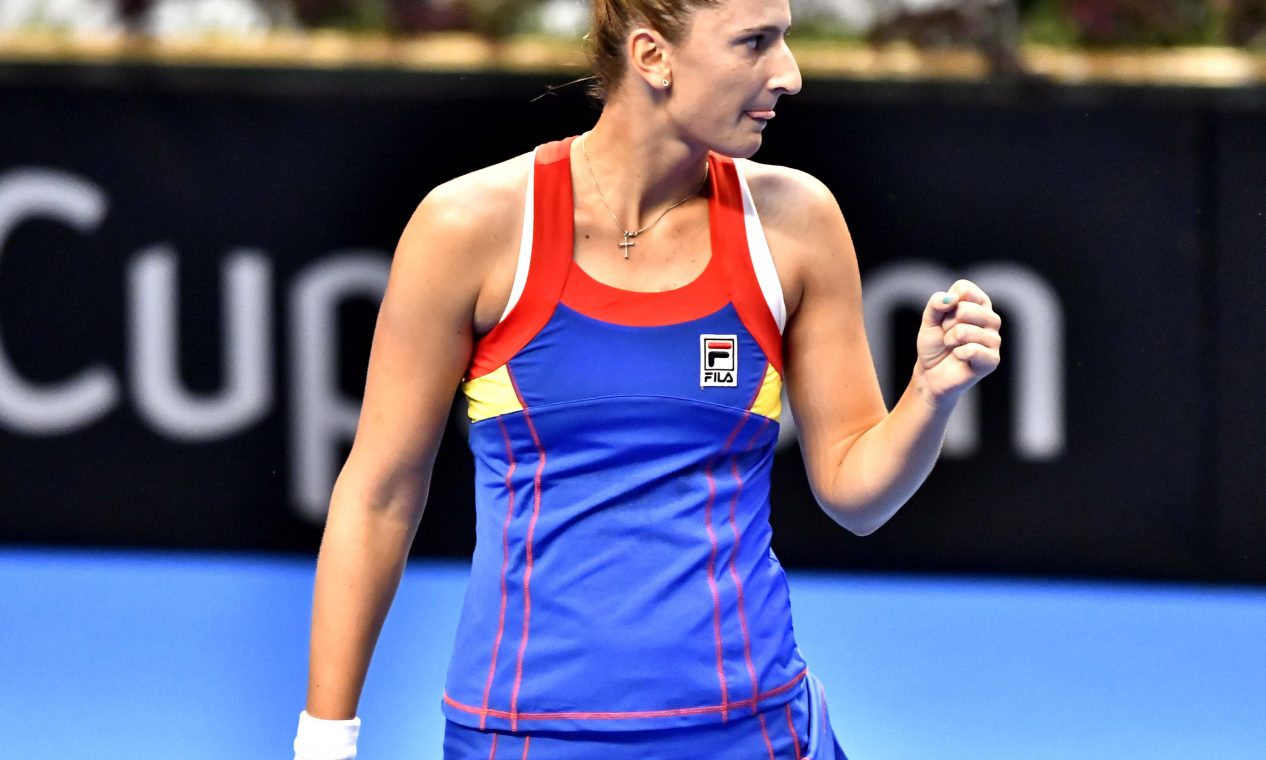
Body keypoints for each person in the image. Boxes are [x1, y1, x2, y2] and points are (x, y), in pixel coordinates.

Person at [293, 0, 1003, 757]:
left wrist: (929, 396)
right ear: (652, 56)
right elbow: (378, 495)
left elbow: (855, 494)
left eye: (785, 39)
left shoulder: (797, 222)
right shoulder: (467, 228)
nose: (789, 75)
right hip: (525, 738)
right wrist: (324, 740)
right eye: (755, 42)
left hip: (757, 731)